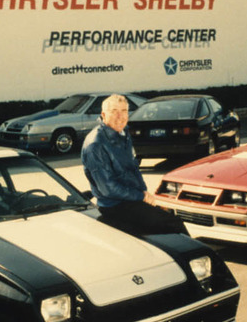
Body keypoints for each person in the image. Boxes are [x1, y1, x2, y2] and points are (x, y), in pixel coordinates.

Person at [81, 94, 188, 236]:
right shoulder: (96, 144)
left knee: (168, 220)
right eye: (114, 111)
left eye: (124, 111)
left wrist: (145, 195)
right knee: (174, 225)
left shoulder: (123, 133)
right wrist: (141, 196)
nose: (120, 116)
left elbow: (133, 169)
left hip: (132, 200)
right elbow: (108, 188)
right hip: (114, 206)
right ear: (103, 115)